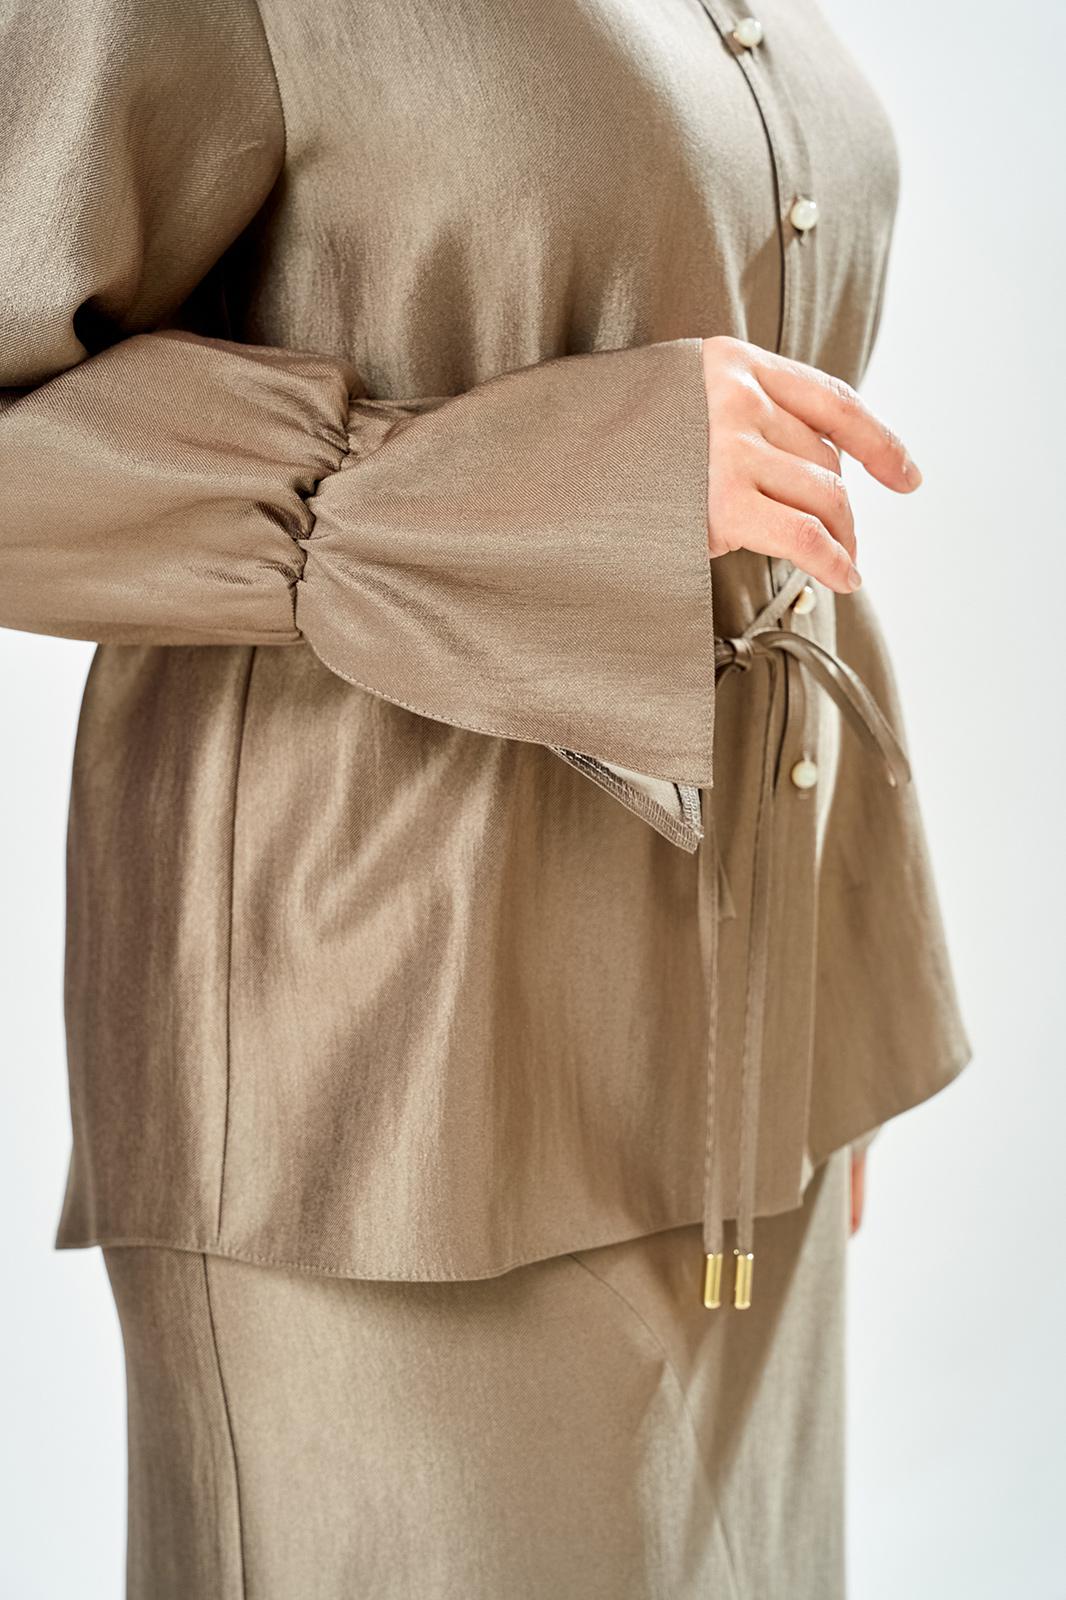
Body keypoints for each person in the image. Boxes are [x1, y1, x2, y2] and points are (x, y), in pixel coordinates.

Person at [0, 0, 972, 1593]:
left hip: (739, 1053)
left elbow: (763, 514)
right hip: (389, 1080)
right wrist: (539, 482)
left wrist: (827, 1004)